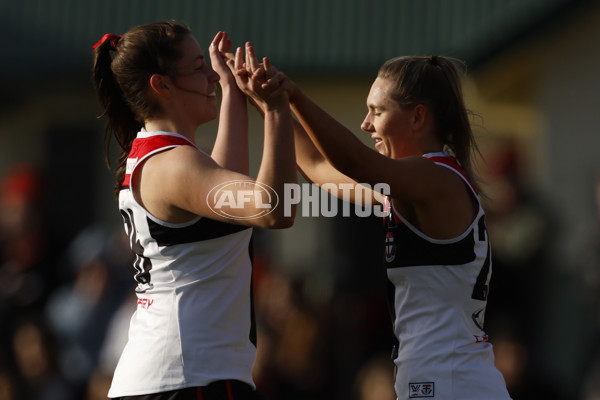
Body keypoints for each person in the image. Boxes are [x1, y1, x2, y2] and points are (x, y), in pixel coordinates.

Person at [278, 55, 512, 399]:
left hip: (450, 386)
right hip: (447, 383)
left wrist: (293, 96)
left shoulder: (436, 179)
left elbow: (354, 162)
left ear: (417, 117)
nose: (365, 124)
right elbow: (316, 166)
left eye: (377, 111)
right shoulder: (410, 188)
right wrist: (271, 106)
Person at [91, 21, 296, 399]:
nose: (211, 78)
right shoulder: (174, 165)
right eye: (199, 67)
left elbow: (230, 188)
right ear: (162, 85)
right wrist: (276, 112)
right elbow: (274, 209)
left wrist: (234, 88)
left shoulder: (164, 156)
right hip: (187, 378)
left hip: (177, 375)